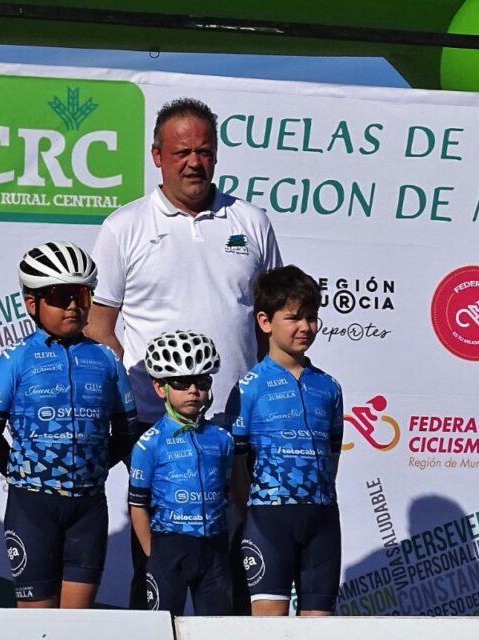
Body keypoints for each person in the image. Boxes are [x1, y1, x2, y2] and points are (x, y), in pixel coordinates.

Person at [86, 97, 282, 610]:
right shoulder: (123, 227)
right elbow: (99, 327)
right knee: (158, 578)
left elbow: (271, 324)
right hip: (159, 431)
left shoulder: (252, 221)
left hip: (238, 432)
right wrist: (140, 408)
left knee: (240, 574)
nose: (194, 162)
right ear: (156, 155)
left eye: (205, 151)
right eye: (182, 152)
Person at [0, 241, 136, 609]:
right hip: (32, 506)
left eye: (82, 295)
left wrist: (91, 470)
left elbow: (126, 432)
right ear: (32, 304)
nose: (74, 306)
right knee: (37, 626)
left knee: (76, 627)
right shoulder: (16, 358)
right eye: (61, 296)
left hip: (89, 507)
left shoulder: (106, 359)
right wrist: (23, 473)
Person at [232, 265, 343, 616]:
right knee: (269, 629)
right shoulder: (249, 386)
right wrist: (251, 507)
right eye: (294, 317)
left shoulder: (329, 386)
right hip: (267, 520)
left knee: (319, 627)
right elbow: (237, 463)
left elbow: (333, 454)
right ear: (265, 322)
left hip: (322, 519)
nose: (305, 327)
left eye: (311, 317)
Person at [129, 330, 234, 616]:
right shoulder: (148, 443)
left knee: (218, 632)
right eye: (181, 382)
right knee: (162, 630)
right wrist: (154, 555)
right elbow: (138, 506)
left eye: (201, 382)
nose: (192, 390)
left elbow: (226, 494)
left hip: (213, 549)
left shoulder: (223, 440)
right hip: (168, 548)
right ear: (160, 388)